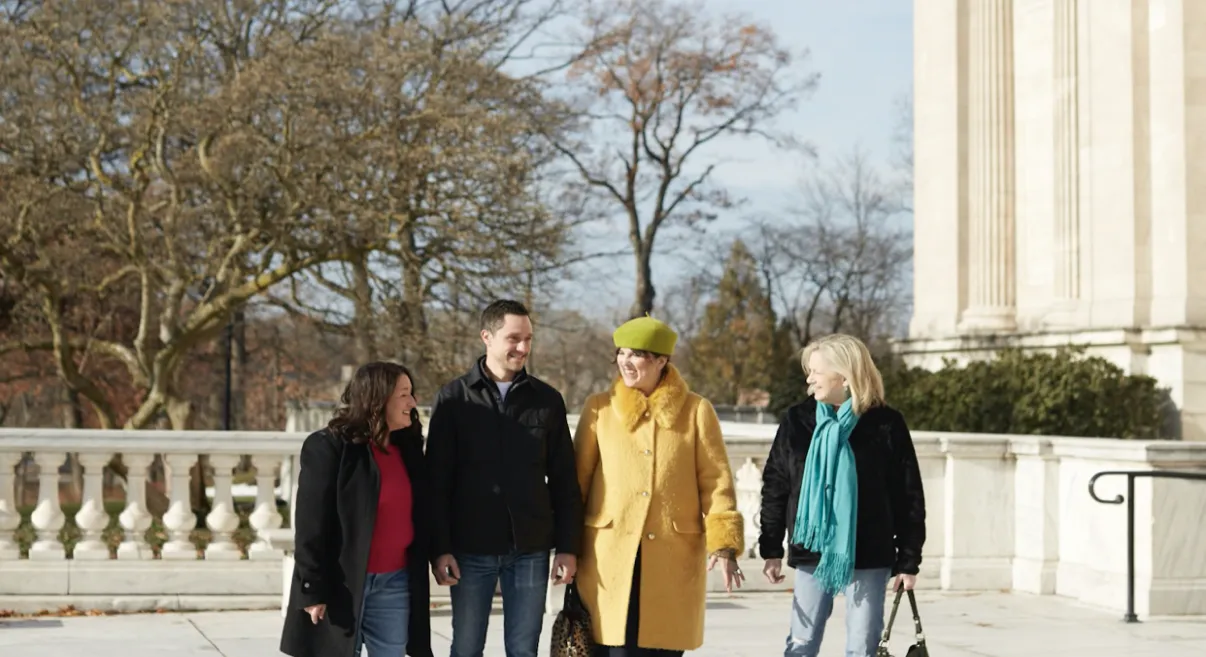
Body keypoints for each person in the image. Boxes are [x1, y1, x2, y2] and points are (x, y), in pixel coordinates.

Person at [573, 315, 745, 657]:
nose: (625, 361)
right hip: (609, 558)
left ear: (661, 361)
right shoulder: (599, 408)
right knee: (615, 649)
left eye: (636, 354)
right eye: (621, 353)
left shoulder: (697, 410)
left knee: (662, 651)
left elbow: (717, 483)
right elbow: (578, 481)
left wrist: (724, 547)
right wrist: (565, 546)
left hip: (672, 558)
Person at [426, 299, 584, 657]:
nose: (523, 348)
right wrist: (440, 548)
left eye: (528, 338)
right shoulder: (453, 399)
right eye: (514, 338)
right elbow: (437, 482)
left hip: (530, 547)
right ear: (487, 336)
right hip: (469, 548)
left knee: (524, 651)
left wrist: (568, 547)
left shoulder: (548, 400)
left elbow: (564, 481)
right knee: (465, 648)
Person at [757, 333, 926, 657]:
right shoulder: (797, 421)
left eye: (817, 371)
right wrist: (771, 547)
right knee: (801, 643)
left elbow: (909, 496)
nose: (809, 378)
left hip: (869, 552)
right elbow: (776, 485)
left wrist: (909, 560)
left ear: (845, 376)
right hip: (812, 548)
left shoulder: (886, 424)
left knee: (862, 646)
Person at [280, 361, 434, 657]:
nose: (413, 402)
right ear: (379, 398)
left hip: (396, 582)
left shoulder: (410, 450)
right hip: (342, 585)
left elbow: (423, 515)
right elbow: (311, 524)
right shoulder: (328, 447)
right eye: (404, 394)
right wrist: (312, 588)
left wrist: (440, 552)